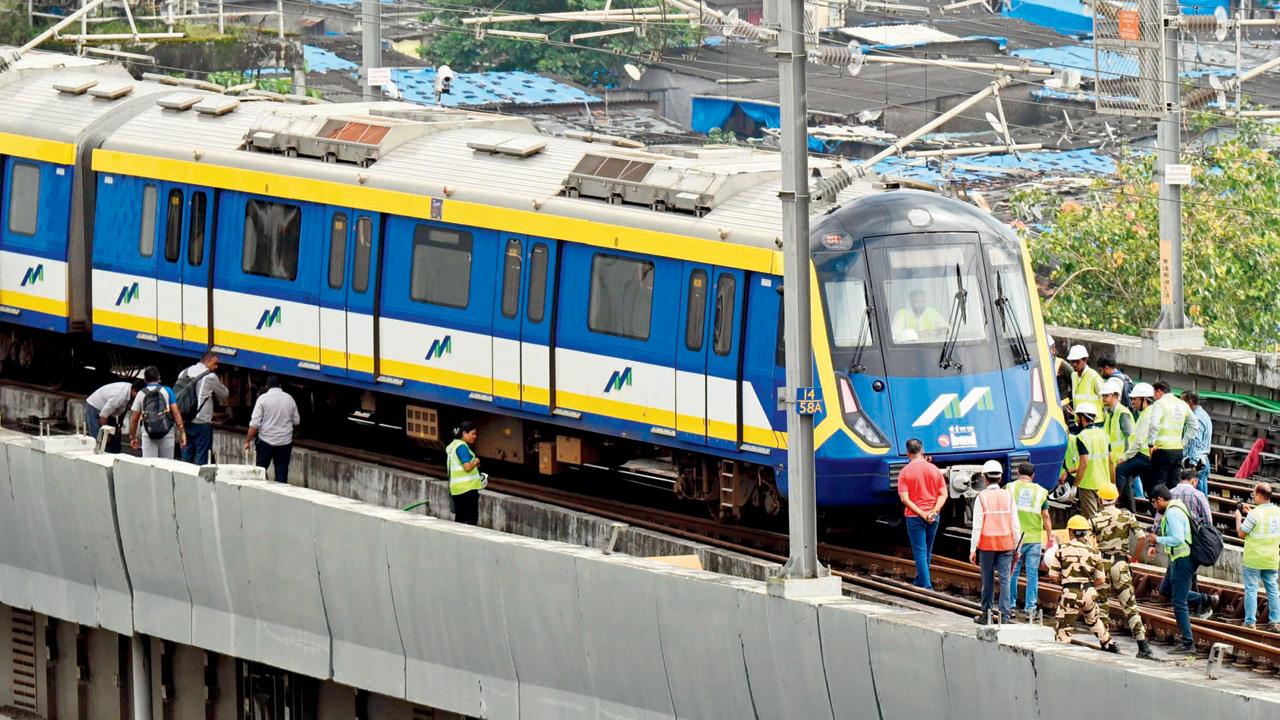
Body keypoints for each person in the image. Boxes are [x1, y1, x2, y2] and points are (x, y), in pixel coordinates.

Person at [1147, 486, 1217, 654]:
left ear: (1161, 499)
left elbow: (1177, 538)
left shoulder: (1172, 513)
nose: (1154, 507)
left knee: (1179, 601)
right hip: (1179, 558)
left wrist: (1158, 539)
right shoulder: (1176, 507)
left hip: (1183, 558)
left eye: (1154, 502)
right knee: (1167, 589)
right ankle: (1206, 599)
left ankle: (1188, 642)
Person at [1090, 484, 1154, 659]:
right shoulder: (1127, 516)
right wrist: (1133, 557)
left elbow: (1089, 544)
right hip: (1121, 564)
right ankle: (1143, 647)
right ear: (1117, 498)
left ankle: (1106, 644)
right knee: (1130, 606)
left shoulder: (1095, 518)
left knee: (1102, 605)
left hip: (1102, 565)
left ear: (1100, 499)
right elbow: (1141, 537)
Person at [1046, 515, 1118, 653]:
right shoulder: (1094, 551)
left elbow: (1052, 575)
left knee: (1063, 626)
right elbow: (1101, 579)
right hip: (1089, 592)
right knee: (1094, 620)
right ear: (1085, 532)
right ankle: (1109, 644)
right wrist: (1089, 586)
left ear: (1071, 531)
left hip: (1070, 592)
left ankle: (1062, 651)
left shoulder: (1062, 549)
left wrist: (1066, 584)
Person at [970, 460, 1020, 624]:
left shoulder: (981, 497)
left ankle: (986, 614)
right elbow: (1015, 524)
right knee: (1005, 579)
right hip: (1006, 544)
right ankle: (1005, 616)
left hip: (987, 545)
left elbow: (977, 526)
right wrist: (1017, 545)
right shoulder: (1008, 496)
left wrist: (972, 549)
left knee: (987, 580)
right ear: (1000, 478)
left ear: (984, 477)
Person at [898, 437, 947, 589]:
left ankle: (926, 585)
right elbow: (943, 494)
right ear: (922, 451)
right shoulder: (934, 469)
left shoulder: (904, 472)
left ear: (907, 453)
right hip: (933, 516)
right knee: (927, 550)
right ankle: (920, 579)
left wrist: (922, 513)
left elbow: (904, 499)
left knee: (919, 551)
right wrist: (933, 511)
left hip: (914, 517)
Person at [1008, 461, 1052, 620]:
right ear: (1033, 476)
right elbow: (1046, 516)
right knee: (1032, 574)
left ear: (1018, 472)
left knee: (1013, 572)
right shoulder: (1041, 492)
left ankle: (1010, 606)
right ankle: (1030, 609)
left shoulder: (1010, 488)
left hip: (1015, 539)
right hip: (1034, 538)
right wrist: (1050, 537)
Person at [1236, 483, 1280, 630]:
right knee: (1273, 590)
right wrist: (1251, 513)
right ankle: (1275, 621)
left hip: (1254, 559)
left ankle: (1250, 622)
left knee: (1251, 590)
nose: (1253, 497)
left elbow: (1242, 533)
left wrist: (1238, 518)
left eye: (1254, 495)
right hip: (1272, 559)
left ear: (1260, 495)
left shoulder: (1255, 514)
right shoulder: (1277, 511)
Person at [243, 376, 300, 484]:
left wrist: (247, 441)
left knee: (260, 471)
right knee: (282, 472)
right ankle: (281, 494)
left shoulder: (262, 399)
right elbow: (296, 421)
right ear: (280, 385)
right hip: (284, 442)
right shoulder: (289, 398)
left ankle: (263, 492)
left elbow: (254, 424)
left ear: (267, 386)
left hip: (266, 442)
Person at [177, 350, 229, 465]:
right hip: (202, 422)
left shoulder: (183, 373)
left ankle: (185, 481)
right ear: (207, 361)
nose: (216, 367)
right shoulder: (210, 376)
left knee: (186, 458)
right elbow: (224, 394)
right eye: (215, 364)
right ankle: (199, 482)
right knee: (202, 459)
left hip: (184, 420)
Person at [1145, 380, 1199, 492]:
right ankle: (1173, 507)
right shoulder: (1182, 404)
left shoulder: (1159, 404)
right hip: (1177, 450)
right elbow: (1194, 425)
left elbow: (1154, 425)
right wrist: (1183, 442)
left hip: (1161, 449)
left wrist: (1150, 444)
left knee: (1158, 484)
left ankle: (1158, 509)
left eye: (1154, 394)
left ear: (1159, 392)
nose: (1154, 397)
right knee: (1174, 484)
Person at [1061, 403, 1109, 519]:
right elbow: (1111, 462)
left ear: (1082, 417)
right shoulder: (1104, 434)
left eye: (1077, 416)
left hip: (1088, 484)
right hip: (1104, 483)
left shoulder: (1082, 437)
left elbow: (1084, 464)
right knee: (1103, 517)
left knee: (1091, 520)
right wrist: (1112, 483)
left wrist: (1075, 486)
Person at [128, 365, 187, 459]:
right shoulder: (167, 391)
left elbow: (134, 419)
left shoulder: (141, 393)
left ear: (145, 379)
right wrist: (182, 433)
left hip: (148, 433)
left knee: (149, 466)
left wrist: (133, 437)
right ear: (159, 377)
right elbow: (176, 413)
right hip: (166, 432)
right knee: (166, 466)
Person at [1116, 382, 1156, 503]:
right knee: (1150, 490)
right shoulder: (1149, 412)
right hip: (1148, 456)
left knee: (1120, 470)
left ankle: (1115, 501)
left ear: (1144, 399)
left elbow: (1138, 442)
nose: (1132, 401)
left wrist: (1124, 457)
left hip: (1143, 455)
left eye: (1135, 399)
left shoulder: (1146, 415)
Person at [85, 378, 144, 453]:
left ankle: (113, 453)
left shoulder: (130, 394)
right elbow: (103, 415)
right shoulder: (119, 396)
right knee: (99, 439)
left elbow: (123, 410)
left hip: (109, 410)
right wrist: (107, 433)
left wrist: (119, 426)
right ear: (134, 391)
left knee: (115, 438)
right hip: (95, 407)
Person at [1101, 378, 1134, 507]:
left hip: (1122, 459)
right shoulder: (1110, 413)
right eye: (1103, 395)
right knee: (1120, 489)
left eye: (1106, 395)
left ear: (1115, 396)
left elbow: (1129, 436)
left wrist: (1125, 457)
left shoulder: (1122, 413)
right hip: (1115, 460)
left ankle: (1130, 513)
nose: (1103, 398)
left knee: (1125, 488)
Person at [447, 421, 485, 525]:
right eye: (472, 434)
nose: (475, 436)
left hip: (456, 489)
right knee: (471, 520)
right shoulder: (462, 447)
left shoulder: (453, 446)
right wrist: (476, 461)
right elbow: (467, 467)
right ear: (464, 433)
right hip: (467, 489)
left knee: (460, 520)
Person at [1182, 391, 1213, 496]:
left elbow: (1196, 442)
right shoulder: (1204, 415)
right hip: (1203, 460)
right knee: (1202, 496)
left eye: (1183, 402)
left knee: (1196, 496)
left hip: (1196, 462)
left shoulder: (1196, 418)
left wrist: (1192, 465)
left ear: (1190, 402)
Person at [1066, 345, 1103, 418]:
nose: (1074, 364)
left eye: (1077, 361)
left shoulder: (1094, 376)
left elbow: (1103, 399)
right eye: (1072, 362)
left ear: (1085, 360)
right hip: (1080, 420)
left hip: (1095, 420)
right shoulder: (1073, 375)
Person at [1048, 335, 1073, 422]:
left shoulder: (1062, 365)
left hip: (1062, 407)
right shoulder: (1040, 366)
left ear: (1054, 349)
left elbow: (1074, 383)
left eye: (1049, 349)